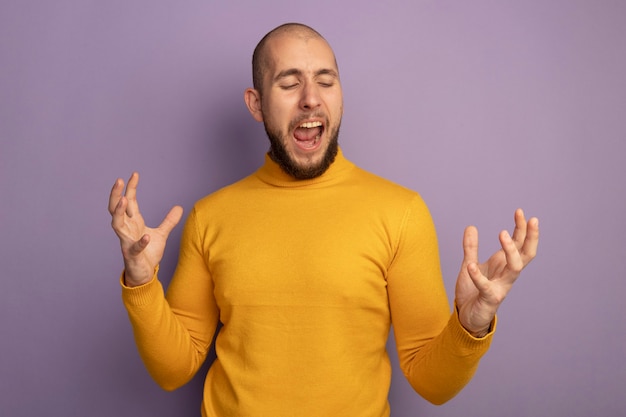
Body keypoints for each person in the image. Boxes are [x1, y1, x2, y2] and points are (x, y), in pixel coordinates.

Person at [108, 23, 539, 417]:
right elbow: (173, 370)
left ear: (340, 95)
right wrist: (141, 282)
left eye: (326, 81)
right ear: (256, 104)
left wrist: (472, 321)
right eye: (290, 82)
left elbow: (431, 383)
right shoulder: (210, 217)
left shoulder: (400, 213)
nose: (311, 97)